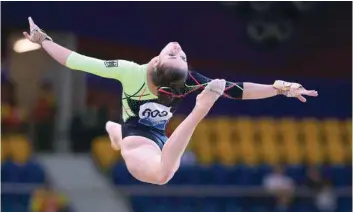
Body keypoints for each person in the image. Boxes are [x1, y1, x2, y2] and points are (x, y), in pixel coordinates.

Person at [23, 17, 318, 185]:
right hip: (139, 139)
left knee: (164, 169)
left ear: (156, 60)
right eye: (179, 55)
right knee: (163, 175)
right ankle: (119, 132)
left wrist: (280, 88)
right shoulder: (130, 71)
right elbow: (77, 62)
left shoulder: (187, 79)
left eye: (179, 55)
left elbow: (239, 90)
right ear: (154, 62)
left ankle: (116, 132)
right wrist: (43, 41)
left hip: (156, 140)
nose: (178, 49)